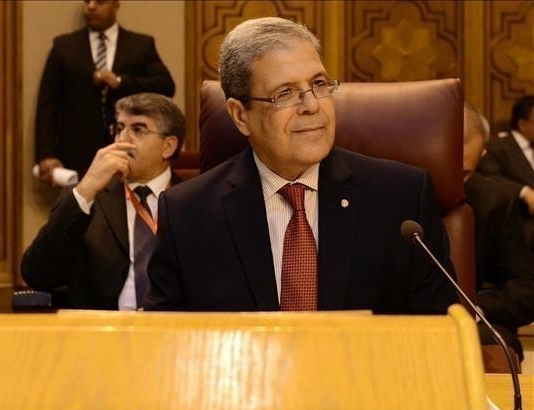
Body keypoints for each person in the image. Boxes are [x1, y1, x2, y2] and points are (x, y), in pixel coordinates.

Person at [145, 17, 456, 314]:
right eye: (285, 93)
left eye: (319, 84)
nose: (312, 105)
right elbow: (166, 336)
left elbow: (440, 329)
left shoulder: (401, 200)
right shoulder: (187, 213)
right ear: (240, 116)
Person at [22, 93, 185, 310]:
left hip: (174, 325)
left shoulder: (194, 199)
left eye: (138, 129)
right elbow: (36, 274)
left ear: (168, 146)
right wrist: (86, 189)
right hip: (102, 325)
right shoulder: (89, 197)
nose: (122, 140)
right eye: (119, 128)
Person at [35, 0, 175, 183]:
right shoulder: (64, 47)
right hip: (77, 155)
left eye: (100, 1)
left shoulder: (141, 45)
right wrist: (46, 154)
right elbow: (48, 104)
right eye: (87, 1)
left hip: (129, 152)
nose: (91, 6)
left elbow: (165, 86)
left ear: (116, 5)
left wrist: (120, 82)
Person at [463, 104, 534, 361]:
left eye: (464, 173)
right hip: (394, 318)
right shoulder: (392, 191)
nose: (451, 180)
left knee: (499, 347)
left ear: (481, 156)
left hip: (471, 317)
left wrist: (474, 308)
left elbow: (525, 291)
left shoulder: (495, 201)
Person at [477, 95, 534, 248]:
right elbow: (489, 178)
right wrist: (524, 191)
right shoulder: (497, 147)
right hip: (521, 223)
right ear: (523, 124)